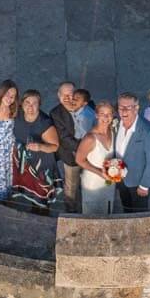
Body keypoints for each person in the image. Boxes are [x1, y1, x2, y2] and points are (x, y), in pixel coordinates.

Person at [109, 93, 150, 212]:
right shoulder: (116, 124)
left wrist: (144, 185)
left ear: (136, 108)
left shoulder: (148, 131)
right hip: (121, 179)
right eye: (121, 107)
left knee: (139, 214)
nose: (124, 111)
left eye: (128, 107)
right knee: (126, 209)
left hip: (138, 182)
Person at [12, 89, 62, 212]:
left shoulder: (44, 122)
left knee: (41, 188)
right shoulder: (17, 115)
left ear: (39, 105)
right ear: (21, 104)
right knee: (30, 186)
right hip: (26, 159)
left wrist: (39, 147)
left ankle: (44, 212)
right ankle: (34, 208)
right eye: (27, 102)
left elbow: (55, 146)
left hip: (42, 161)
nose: (30, 106)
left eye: (34, 103)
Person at [53, 81, 92, 212]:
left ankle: (90, 209)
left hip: (91, 155)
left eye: (71, 94)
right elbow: (64, 138)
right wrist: (83, 150)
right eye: (64, 95)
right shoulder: (56, 114)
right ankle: (70, 211)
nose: (69, 98)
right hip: (71, 156)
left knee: (90, 183)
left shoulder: (88, 104)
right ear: (59, 96)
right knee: (71, 187)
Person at [76, 102, 119, 217]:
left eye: (109, 114)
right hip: (93, 183)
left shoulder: (113, 131)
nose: (106, 117)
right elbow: (79, 160)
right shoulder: (90, 138)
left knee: (108, 211)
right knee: (92, 217)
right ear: (96, 115)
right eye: (102, 114)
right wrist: (100, 172)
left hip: (109, 181)